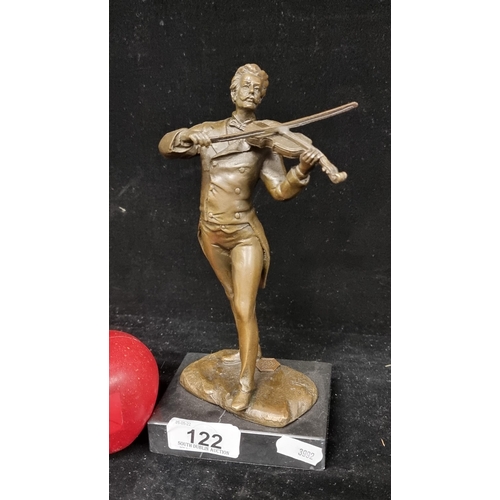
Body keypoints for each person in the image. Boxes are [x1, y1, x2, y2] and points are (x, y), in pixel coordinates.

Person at [158, 63, 321, 411]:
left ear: (261, 98)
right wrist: (187, 135)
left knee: (245, 307)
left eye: (258, 89)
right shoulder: (210, 131)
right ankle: (253, 353)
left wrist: (302, 169)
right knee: (233, 297)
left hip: (243, 234)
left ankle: (246, 384)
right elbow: (166, 147)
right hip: (209, 232)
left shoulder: (266, 141)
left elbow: (280, 191)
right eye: (246, 86)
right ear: (233, 91)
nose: (252, 92)